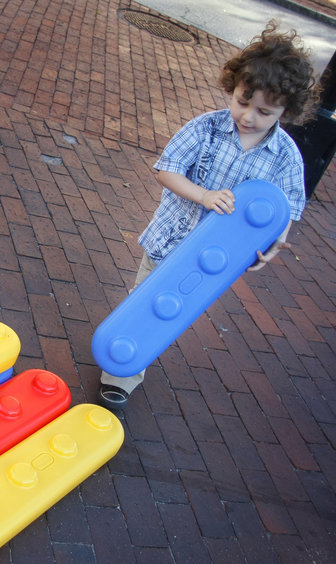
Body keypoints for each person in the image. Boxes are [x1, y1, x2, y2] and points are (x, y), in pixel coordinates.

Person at [97, 21, 319, 411]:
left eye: (264, 111)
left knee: (170, 312)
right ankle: (121, 372)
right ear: (233, 87)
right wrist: (203, 195)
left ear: (286, 111)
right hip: (169, 242)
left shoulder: (285, 157)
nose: (248, 115)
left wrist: (275, 243)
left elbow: (285, 212)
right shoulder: (208, 128)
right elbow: (166, 168)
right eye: (242, 100)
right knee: (144, 302)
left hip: (214, 263)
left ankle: (134, 356)